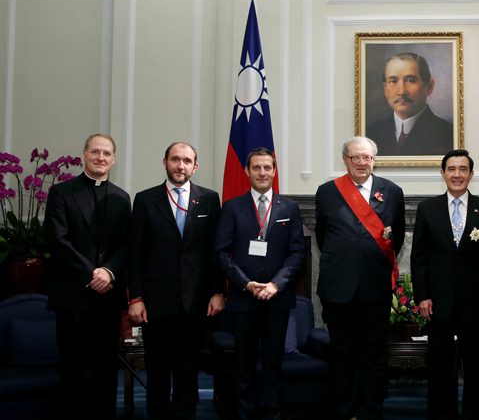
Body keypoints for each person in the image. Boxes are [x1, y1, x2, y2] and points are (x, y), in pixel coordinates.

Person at [127, 141, 225, 419]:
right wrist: (135, 297)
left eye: (186, 161)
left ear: (195, 166)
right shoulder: (145, 199)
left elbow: (214, 252)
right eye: (175, 159)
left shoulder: (208, 199)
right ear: (165, 162)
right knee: (157, 368)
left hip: (195, 301)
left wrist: (218, 292)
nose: (180, 166)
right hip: (155, 301)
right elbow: (136, 254)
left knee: (188, 367)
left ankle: (185, 413)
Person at [315, 136, 406, 420]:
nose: (362, 162)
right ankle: (344, 410)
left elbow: (397, 237)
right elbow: (322, 235)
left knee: (374, 354)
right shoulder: (327, 191)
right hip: (338, 288)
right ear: (345, 160)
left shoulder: (391, 191)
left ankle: (370, 409)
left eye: (367, 157)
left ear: (374, 160)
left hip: (375, 286)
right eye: (355, 157)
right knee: (342, 353)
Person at [43, 133, 131, 418]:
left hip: (108, 297)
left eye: (106, 154)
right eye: (95, 152)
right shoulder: (61, 192)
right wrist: (91, 273)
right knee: (73, 367)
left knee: (106, 367)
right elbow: (57, 240)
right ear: (84, 154)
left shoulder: (121, 197)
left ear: (114, 159)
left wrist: (108, 272)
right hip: (73, 296)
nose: (100, 158)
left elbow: (126, 244)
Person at [410, 149, 479, 420]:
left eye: (463, 169)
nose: (457, 174)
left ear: (471, 174)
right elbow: (419, 257)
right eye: (451, 169)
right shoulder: (428, 209)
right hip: (437, 304)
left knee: (475, 367)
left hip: (475, 305)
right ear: (443, 174)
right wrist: (422, 296)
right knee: (440, 366)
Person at [214, 147, 305, 420]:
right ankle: (245, 414)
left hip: (277, 299)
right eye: (256, 168)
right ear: (247, 171)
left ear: (274, 171)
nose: (262, 173)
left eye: (267, 168)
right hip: (243, 299)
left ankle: (272, 413)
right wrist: (246, 283)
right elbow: (221, 252)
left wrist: (276, 285)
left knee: (273, 364)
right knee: (243, 365)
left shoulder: (289, 208)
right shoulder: (232, 207)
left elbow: (298, 252)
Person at [367, 52, 453, 156]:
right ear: (385, 89)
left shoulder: (448, 134)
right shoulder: (370, 133)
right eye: (393, 81)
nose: (402, 92)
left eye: (410, 80)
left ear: (429, 87)